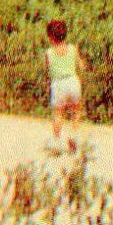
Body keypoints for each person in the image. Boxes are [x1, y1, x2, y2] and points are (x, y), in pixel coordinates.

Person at [45, 19, 87, 151]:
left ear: (51, 37)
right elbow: (81, 65)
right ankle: (74, 137)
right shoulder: (72, 49)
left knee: (58, 114)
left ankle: (57, 142)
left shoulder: (49, 53)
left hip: (59, 84)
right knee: (76, 111)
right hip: (73, 82)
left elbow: (49, 69)